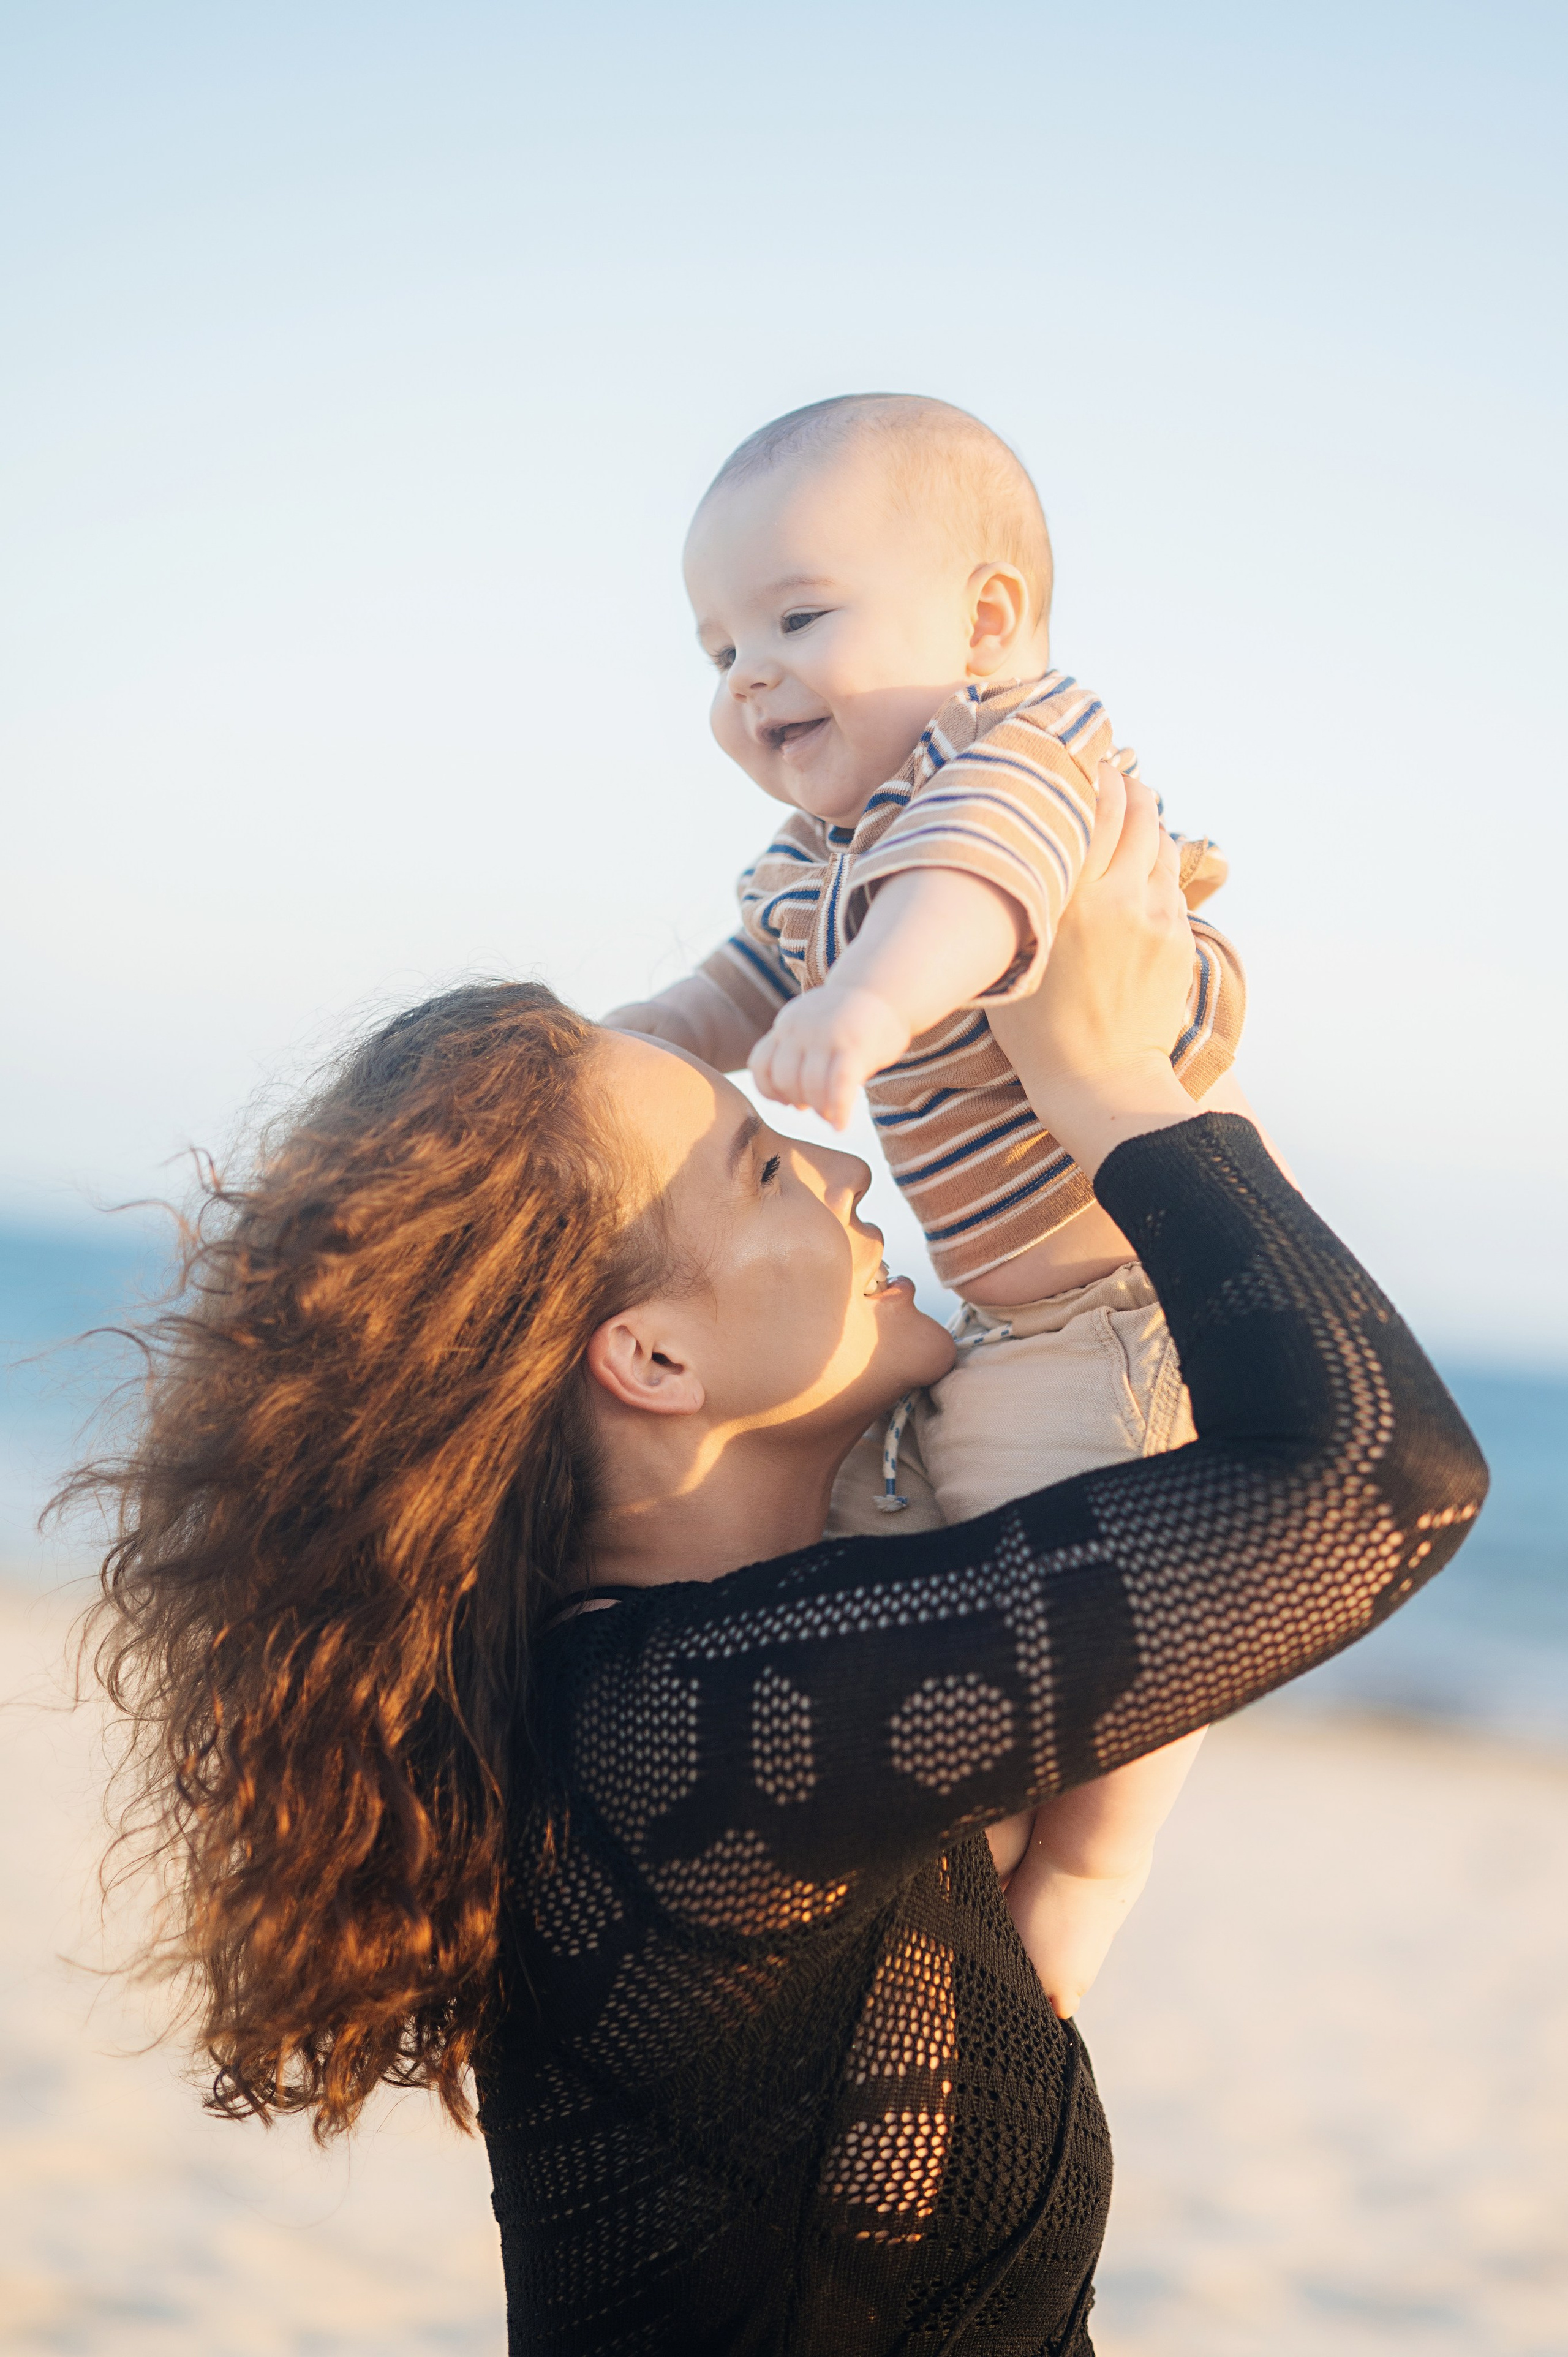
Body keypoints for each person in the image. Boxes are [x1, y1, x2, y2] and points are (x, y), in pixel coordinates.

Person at [82, 771, 1485, 2356]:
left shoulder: (714, 1678)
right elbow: (1386, 1480)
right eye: (759, 1167)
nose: (840, 1169)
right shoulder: (697, 1736)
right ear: (655, 1361)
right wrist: (1107, 1092)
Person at [606, 391, 1252, 2016]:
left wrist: (878, 1006)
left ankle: (1069, 1922)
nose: (749, 675)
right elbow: (732, 984)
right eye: (716, 648)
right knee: (927, 1567)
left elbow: (980, 892)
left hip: (1123, 1318)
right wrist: (614, 1051)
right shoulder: (819, 851)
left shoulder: (1019, 754)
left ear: (985, 623)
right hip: (1015, 1322)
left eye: (798, 617)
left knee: (1085, 1683)